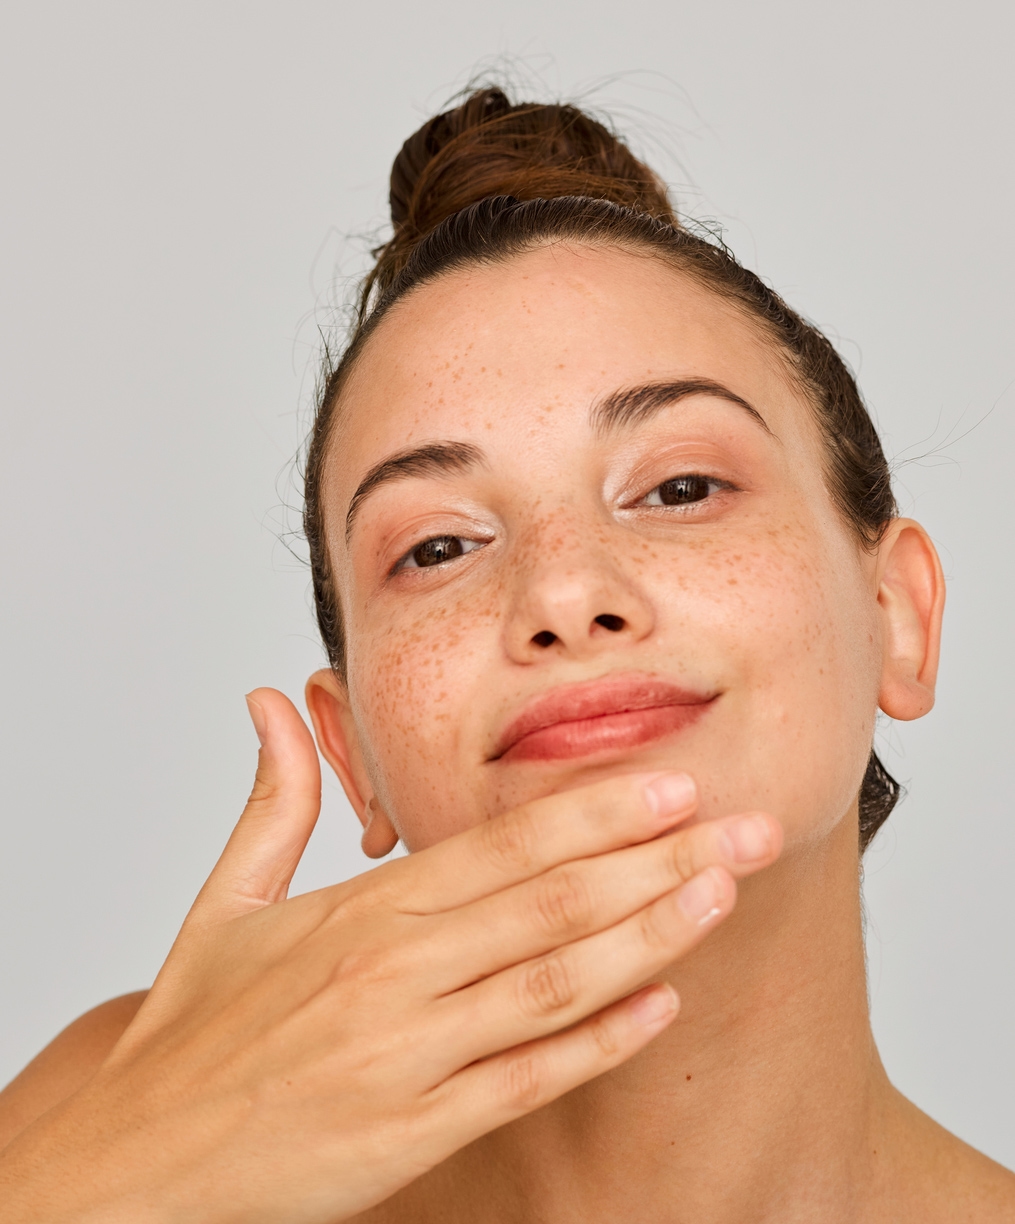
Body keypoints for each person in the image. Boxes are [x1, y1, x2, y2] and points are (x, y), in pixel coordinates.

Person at [0, 86, 1012, 1223]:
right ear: (354, 755)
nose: (565, 593)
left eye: (679, 488)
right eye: (437, 546)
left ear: (897, 616)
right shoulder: (110, 1118)